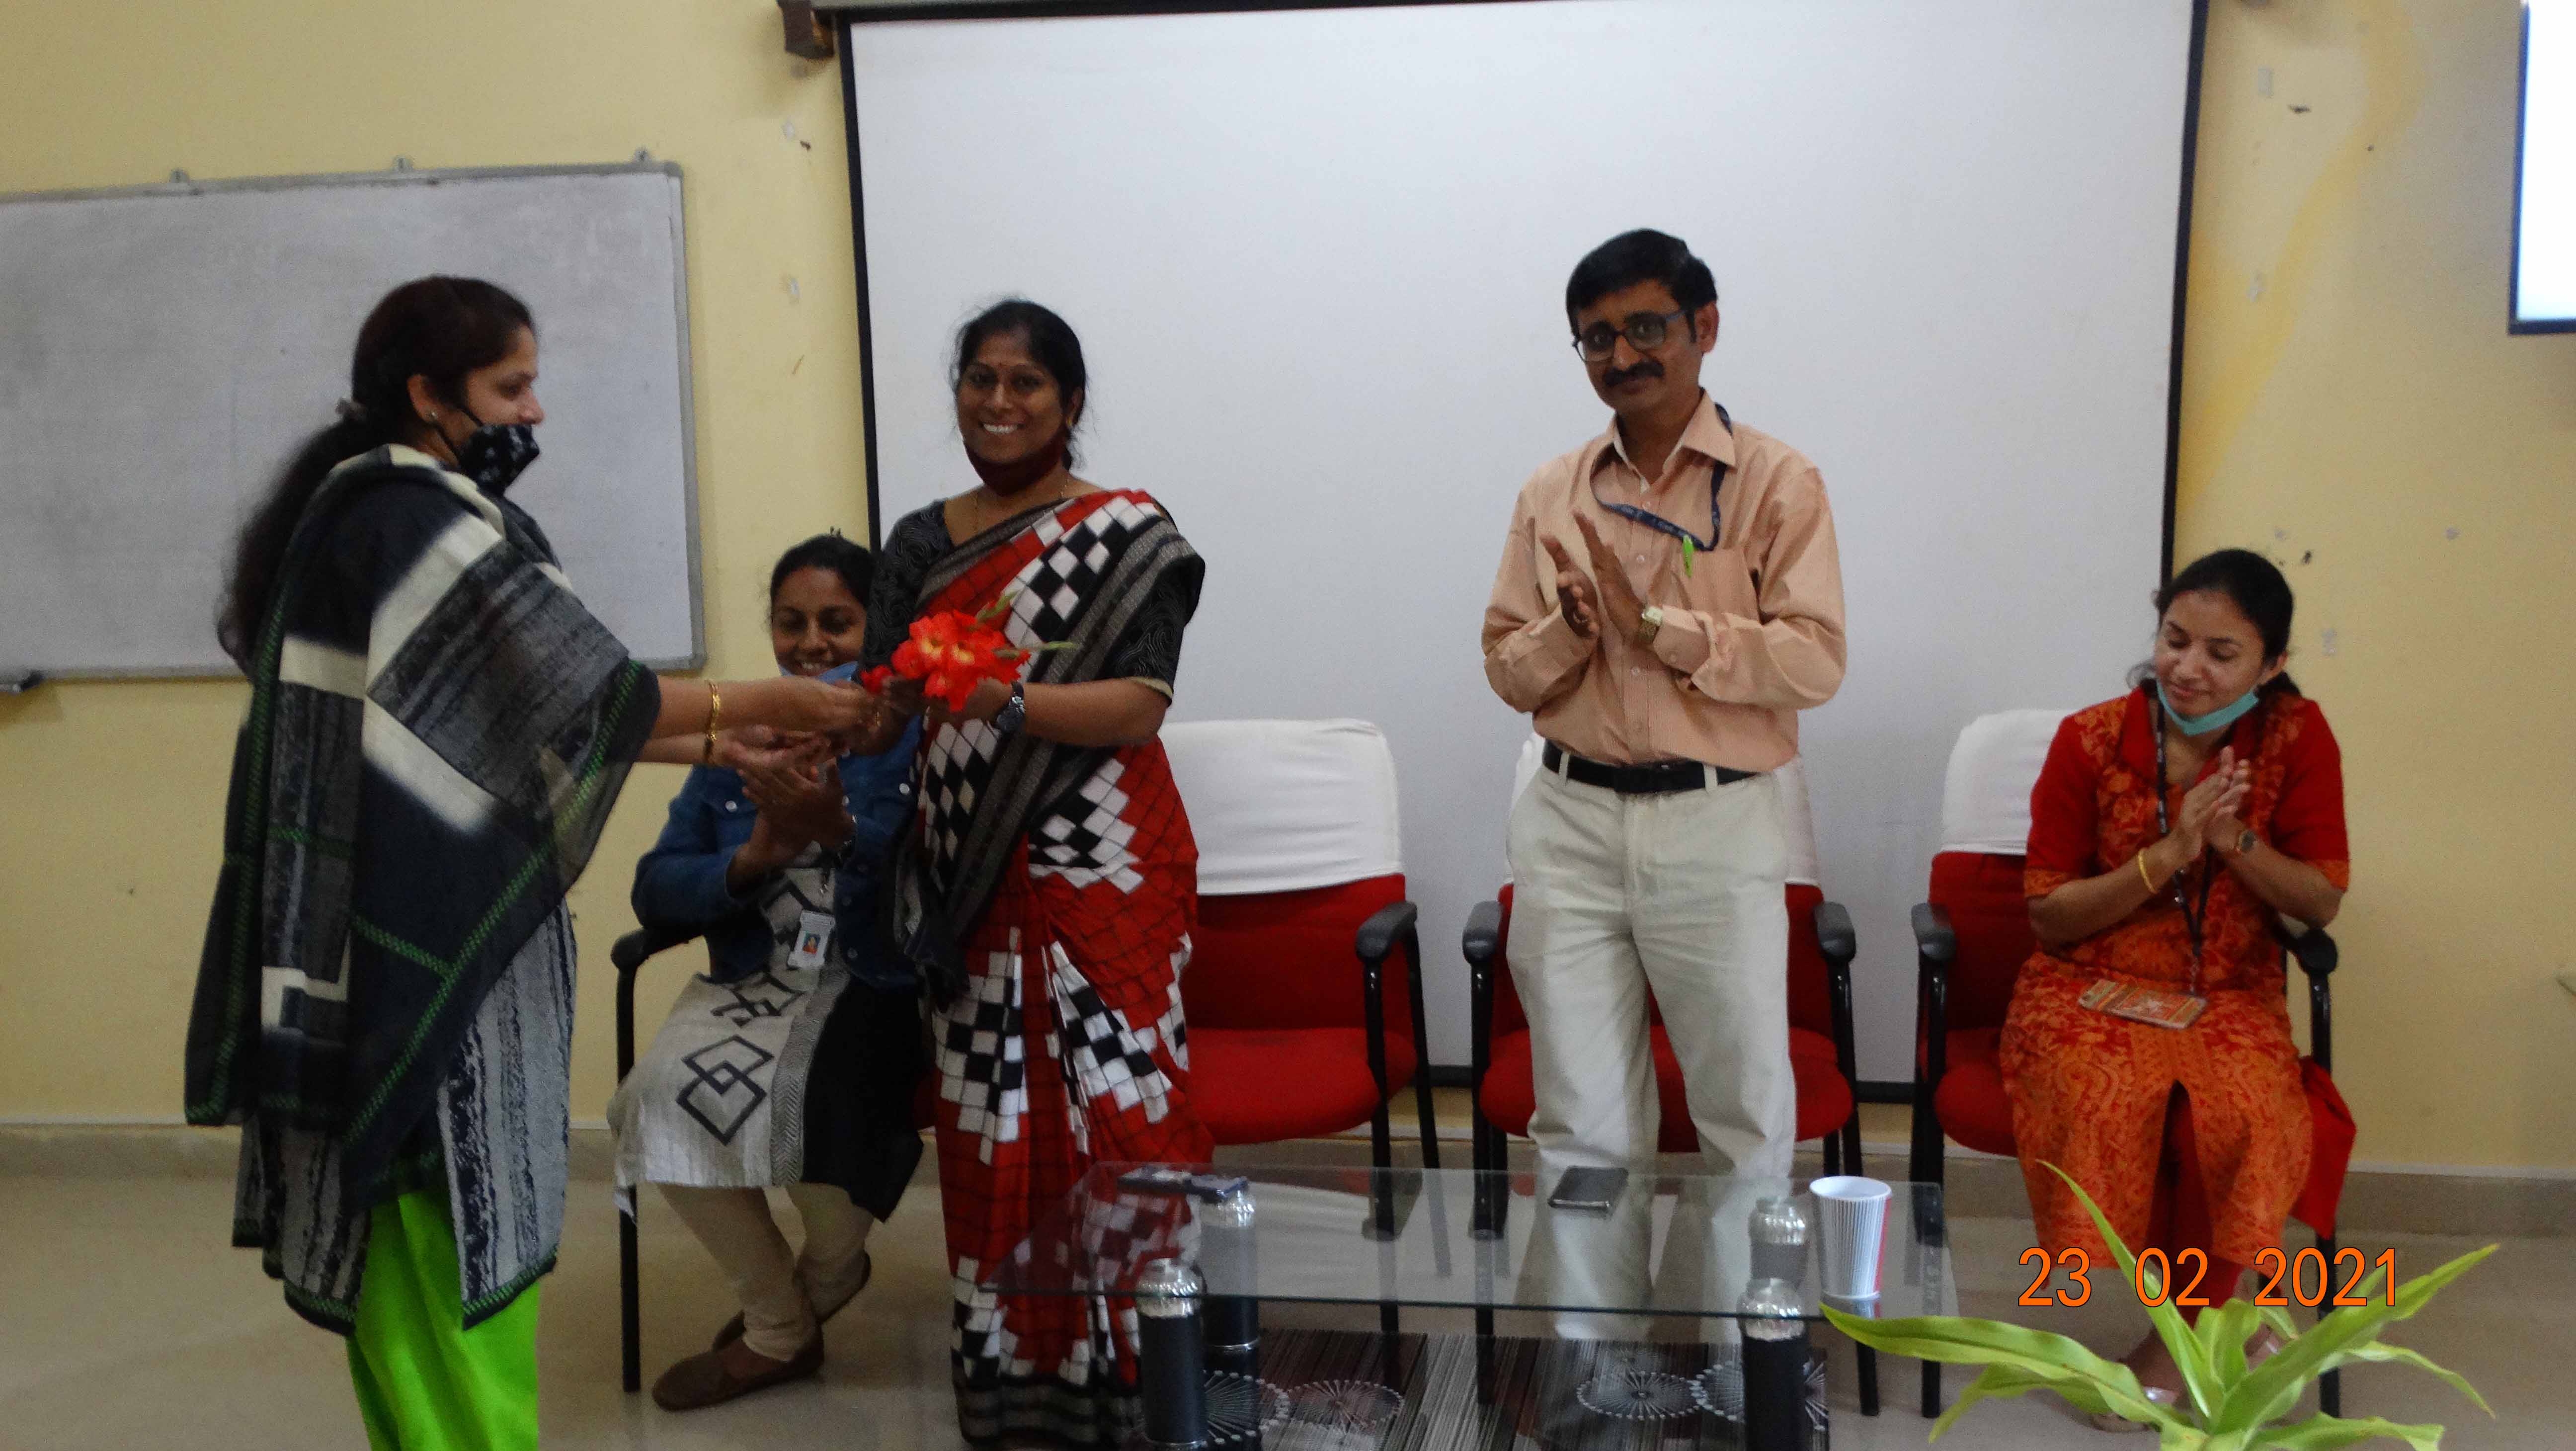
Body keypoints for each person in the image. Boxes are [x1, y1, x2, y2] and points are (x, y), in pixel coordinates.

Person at [185, 276, 875, 1451]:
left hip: (390, 936)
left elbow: (526, 720)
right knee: (454, 1236)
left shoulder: (373, 515)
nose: (535, 412)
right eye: (512, 387)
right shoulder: (414, 524)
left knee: (410, 1247)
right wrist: (780, 703)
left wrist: (723, 741)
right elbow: (589, 694)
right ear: (429, 394)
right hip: (430, 953)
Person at [845, 299, 1209, 1447]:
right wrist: (817, 726)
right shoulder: (920, 543)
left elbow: (1139, 706)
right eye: (980, 379)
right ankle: (1023, 1387)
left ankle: (1152, 1374)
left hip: (1107, 861)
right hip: (968, 867)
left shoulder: (1127, 533)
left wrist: (1004, 696)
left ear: (1070, 402)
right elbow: (886, 705)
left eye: (1025, 383)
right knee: (991, 1123)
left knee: (1127, 1114)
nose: (998, 403)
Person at [1481, 228, 1847, 1194]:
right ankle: (1590, 1300)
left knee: (1741, 1113)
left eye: (1646, 327)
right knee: (1578, 1121)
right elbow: (1507, 671)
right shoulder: (1551, 491)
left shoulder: (1777, 481)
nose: (1622, 355)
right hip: (1570, 821)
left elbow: (1815, 659)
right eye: (1597, 338)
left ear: (1705, 327)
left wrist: (1663, 631)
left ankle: (1736, 1302)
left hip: (1714, 820)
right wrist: (1569, 630)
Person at [2004, 548, 2346, 1431]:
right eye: (2174, 639)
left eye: (2222, 653)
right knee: (2102, 1090)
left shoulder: (2297, 740)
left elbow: (2320, 900)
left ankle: (2182, 1344)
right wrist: (2169, 854)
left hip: (2231, 989)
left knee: (2244, 1111)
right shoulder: (2089, 739)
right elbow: (2050, 917)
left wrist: (2230, 837)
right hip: (2088, 980)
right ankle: (2234, 1337)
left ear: (2270, 664)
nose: (2188, 668)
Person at [607, 534, 927, 1411]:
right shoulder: (741, 742)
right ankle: (783, 1324)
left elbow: (942, 891)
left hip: (873, 983)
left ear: (878, 630)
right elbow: (655, 887)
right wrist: (752, 858)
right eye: (792, 624)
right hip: (754, 980)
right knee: (650, 1097)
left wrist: (841, 833)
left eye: (837, 623)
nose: (812, 644)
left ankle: (814, 1288)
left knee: (828, 1102)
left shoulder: (913, 736)